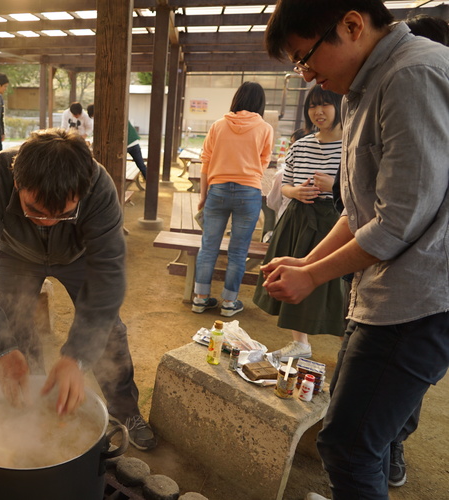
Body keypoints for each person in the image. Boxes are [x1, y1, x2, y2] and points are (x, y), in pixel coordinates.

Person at [264, 2, 449, 499]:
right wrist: (307, 262)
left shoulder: (412, 75)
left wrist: (313, 276)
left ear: (351, 24)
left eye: (305, 58)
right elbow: (358, 208)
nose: (307, 76)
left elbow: (398, 222)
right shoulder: (366, 87)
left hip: (417, 301)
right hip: (384, 295)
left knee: (350, 448)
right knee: (352, 438)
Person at [0, 128, 157, 451]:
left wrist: (77, 356)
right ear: (17, 182)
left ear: (82, 192)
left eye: (62, 214)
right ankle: (31, 407)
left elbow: (107, 275)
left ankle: (125, 411)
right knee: (15, 327)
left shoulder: (99, 187)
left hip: (78, 256)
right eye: (34, 210)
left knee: (110, 332)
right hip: (17, 254)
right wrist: (2, 350)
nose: (46, 221)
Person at [253, 85, 345, 362]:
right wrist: (295, 192)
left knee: (337, 285)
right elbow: (285, 184)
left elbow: (364, 190)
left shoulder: (352, 146)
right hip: (298, 219)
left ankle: (349, 347)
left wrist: (334, 186)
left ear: (340, 107)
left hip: (335, 222)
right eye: (312, 106)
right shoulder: (301, 145)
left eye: (325, 104)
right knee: (293, 275)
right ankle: (300, 343)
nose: (318, 111)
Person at [190, 82, 273, 317]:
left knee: (208, 247)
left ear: (237, 99)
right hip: (249, 192)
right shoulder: (265, 128)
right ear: (260, 103)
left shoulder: (218, 125)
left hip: (217, 190)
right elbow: (264, 161)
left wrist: (203, 196)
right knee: (238, 251)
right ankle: (229, 302)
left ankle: (200, 299)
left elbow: (206, 162)